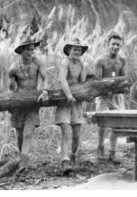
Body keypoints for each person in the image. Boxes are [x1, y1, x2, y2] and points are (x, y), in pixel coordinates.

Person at [8, 37, 49, 170]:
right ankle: (22, 158)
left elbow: (45, 78)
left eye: (32, 49)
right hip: (19, 104)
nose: (31, 52)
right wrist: (10, 103)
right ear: (21, 50)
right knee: (19, 135)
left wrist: (44, 91)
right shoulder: (13, 68)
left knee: (28, 133)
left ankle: (23, 163)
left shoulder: (38, 63)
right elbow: (11, 89)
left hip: (33, 102)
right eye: (27, 49)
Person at [56, 38, 88, 175]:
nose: (77, 52)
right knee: (66, 131)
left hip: (77, 102)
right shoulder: (65, 62)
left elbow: (82, 82)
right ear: (69, 50)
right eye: (74, 49)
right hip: (64, 100)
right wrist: (69, 95)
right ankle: (65, 161)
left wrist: (84, 67)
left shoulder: (81, 63)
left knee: (76, 134)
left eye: (79, 50)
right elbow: (62, 79)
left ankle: (73, 155)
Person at [94, 34, 126, 164]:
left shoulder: (122, 60)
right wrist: (107, 94)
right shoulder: (100, 61)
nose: (115, 47)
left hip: (117, 95)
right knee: (102, 123)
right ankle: (100, 147)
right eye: (113, 44)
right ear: (108, 44)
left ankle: (112, 152)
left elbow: (124, 79)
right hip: (103, 95)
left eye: (118, 44)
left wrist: (117, 89)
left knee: (116, 124)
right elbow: (97, 82)